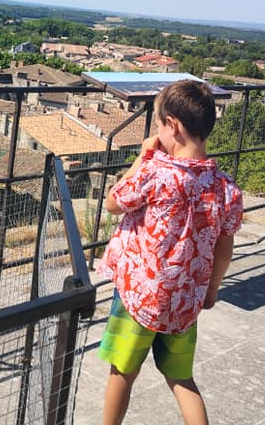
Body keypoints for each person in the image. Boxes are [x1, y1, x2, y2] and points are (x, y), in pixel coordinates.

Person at [96, 79, 243, 425]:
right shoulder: (226, 189)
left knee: (121, 373)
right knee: (181, 378)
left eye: (159, 125)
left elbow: (114, 203)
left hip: (140, 296)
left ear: (172, 126)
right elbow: (225, 249)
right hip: (185, 299)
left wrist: (143, 157)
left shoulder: (154, 173)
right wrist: (212, 290)